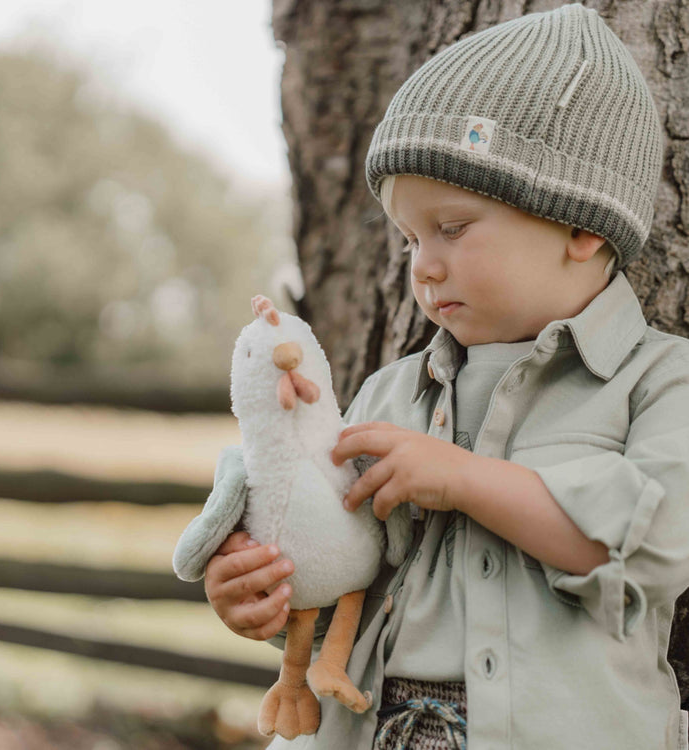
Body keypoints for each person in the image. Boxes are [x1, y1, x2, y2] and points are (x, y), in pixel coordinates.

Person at [199, 4, 689, 748]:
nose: (422, 265)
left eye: (452, 228)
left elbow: (650, 547)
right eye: (408, 238)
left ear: (580, 225)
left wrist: (460, 479)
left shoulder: (661, 382)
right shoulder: (391, 394)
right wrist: (266, 592)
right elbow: (348, 582)